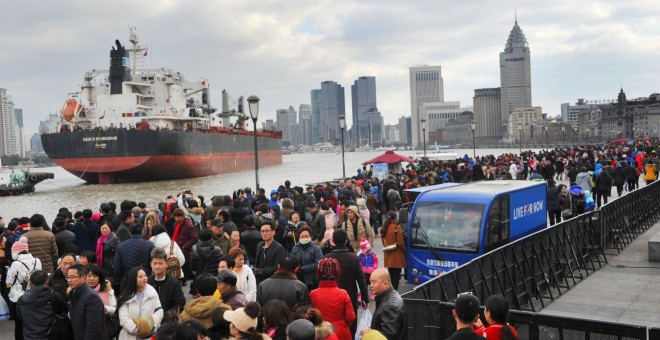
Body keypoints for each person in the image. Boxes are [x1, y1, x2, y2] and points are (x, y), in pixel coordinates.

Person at [324, 229, 369, 336]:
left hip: (332, 297)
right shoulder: (354, 258)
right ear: (346, 241)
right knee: (351, 325)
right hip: (350, 296)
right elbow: (361, 280)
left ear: (333, 241)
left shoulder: (326, 258)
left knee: (333, 327)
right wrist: (365, 299)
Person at [310, 258, 356, 340]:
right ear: (337, 273)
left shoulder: (313, 294)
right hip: (341, 331)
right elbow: (351, 317)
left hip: (321, 333)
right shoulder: (343, 293)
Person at [16, 270, 68, 340]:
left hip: (29, 336)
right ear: (47, 281)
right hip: (51, 336)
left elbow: (19, 321)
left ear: (30, 282)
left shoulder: (22, 300)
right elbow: (64, 313)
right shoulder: (54, 297)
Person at [116, 267, 164, 340]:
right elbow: (124, 319)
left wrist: (149, 327)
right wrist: (137, 330)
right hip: (130, 336)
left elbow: (159, 311)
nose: (144, 278)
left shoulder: (152, 293)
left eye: (145, 276)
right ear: (133, 279)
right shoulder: (125, 297)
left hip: (150, 335)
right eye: (140, 277)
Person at [362, 268, 406, 340]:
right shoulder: (387, 298)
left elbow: (387, 337)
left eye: (374, 282)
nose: (371, 285)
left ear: (385, 284)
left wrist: (368, 333)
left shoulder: (391, 306)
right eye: (370, 282)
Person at [68, 263, 108, 340]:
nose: (69, 280)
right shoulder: (74, 293)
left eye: (72, 277)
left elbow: (93, 327)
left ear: (83, 278)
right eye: (68, 277)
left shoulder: (91, 297)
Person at [148, 248, 186, 324]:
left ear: (166, 264)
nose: (157, 266)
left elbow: (180, 304)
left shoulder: (173, 282)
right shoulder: (148, 282)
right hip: (150, 322)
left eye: (160, 263)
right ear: (151, 264)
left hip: (169, 323)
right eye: (155, 263)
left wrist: (164, 316)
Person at [113, 224, 155, 290]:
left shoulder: (121, 246)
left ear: (129, 232)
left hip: (128, 280)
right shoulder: (149, 245)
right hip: (145, 279)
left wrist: (120, 280)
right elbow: (153, 262)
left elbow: (117, 267)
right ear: (142, 232)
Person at [165, 208, 199, 286]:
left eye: (178, 217)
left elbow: (195, 237)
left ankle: (184, 280)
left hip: (184, 248)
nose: (176, 218)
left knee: (183, 264)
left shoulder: (189, 226)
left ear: (182, 216)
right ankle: (182, 279)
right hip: (176, 246)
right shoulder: (177, 223)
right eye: (175, 217)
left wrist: (185, 246)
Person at [291, 225, 323, 290]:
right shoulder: (295, 248)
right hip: (297, 280)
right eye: (302, 236)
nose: (304, 238)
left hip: (312, 281)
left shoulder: (316, 248)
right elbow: (292, 261)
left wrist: (302, 269)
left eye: (306, 236)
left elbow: (318, 264)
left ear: (310, 236)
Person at [254, 220, 286, 284]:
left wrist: (260, 271)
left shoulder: (279, 248)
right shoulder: (259, 245)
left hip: (272, 282)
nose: (264, 233)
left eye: (267, 231)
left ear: (273, 232)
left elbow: (277, 268)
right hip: (259, 281)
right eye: (262, 231)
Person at [380, 212, 406, 290]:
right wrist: (405, 250)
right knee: (396, 277)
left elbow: (383, 243)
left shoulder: (384, 228)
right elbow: (401, 243)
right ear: (394, 218)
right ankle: (394, 293)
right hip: (397, 257)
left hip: (388, 256)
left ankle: (390, 292)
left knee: (391, 276)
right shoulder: (396, 227)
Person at [97, 222, 120, 287]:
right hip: (102, 265)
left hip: (111, 266)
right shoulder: (99, 239)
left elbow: (118, 252)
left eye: (106, 228)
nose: (104, 230)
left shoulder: (115, 239)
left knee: (110, 283)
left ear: (110, 229)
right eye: (102, 228)